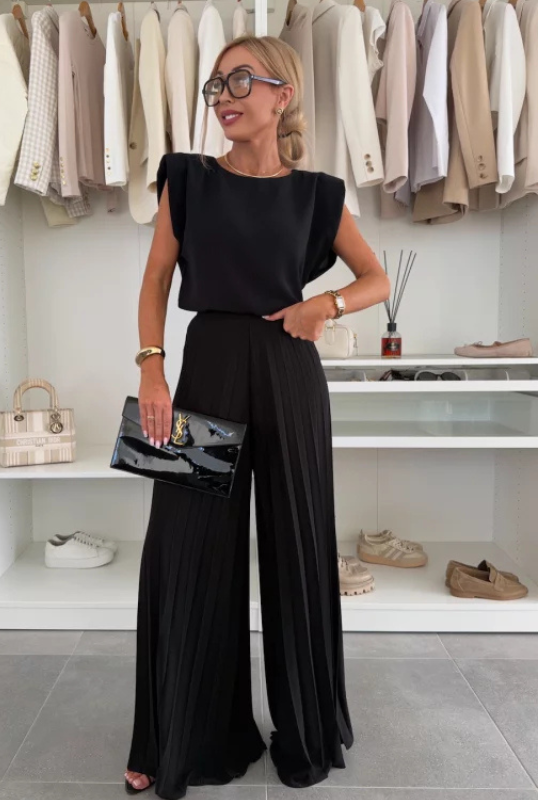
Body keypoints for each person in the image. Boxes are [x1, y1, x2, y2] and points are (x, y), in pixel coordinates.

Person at [124, 35, 390, 799]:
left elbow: (375, 279)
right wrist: (151, 367)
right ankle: (174, 735)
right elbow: (156, 277)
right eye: (216, 84)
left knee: (297, 545)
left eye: (241, 79)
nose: (224, 95)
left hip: (288, 371)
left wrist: (323, 304)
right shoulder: (187, 178)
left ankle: (306, 728)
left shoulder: (319, 194)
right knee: (181, 550)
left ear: (283, 93)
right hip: (203, 368)